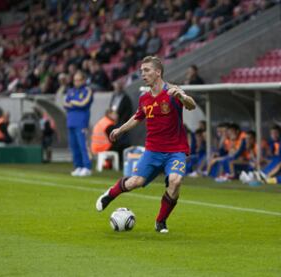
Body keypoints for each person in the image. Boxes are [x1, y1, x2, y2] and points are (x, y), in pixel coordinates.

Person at [96, 56, 196, 233]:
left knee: (175, 180)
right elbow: (137, 118)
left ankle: (160, 222)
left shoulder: (173, 92)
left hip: (175, 150)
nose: (143, 74)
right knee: (136, 182)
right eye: (142, 71)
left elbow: (191, 105)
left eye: (147, 70)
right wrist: (120, 130)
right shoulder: (144, 98)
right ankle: (110, 194)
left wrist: (182, 95)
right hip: (153, 150)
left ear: (158, 72)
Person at [64, 71, 94, 177]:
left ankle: (87, 167)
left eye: (78, 80)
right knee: (74, 146)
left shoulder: (87, 90)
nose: (76, 82)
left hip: (81, 122)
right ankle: (78, 167)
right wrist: (75, 102)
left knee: (83, 146)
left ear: (83, 80)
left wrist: (73, 102)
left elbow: (84, 103)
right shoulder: (70, 91)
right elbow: (65, 103)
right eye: (75, 80)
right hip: (71, 122)